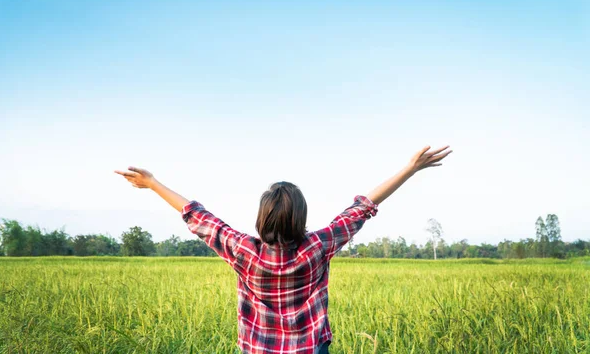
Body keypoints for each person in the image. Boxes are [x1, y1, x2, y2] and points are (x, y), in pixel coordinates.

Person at [115, 145, 452, 354]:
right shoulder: (318, 246)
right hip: (310, 348)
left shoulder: (243, 250)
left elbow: (197, 215)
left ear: (262, 217)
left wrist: (152, 183)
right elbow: (363, 206)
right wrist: (411, 168)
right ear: (300, 217)